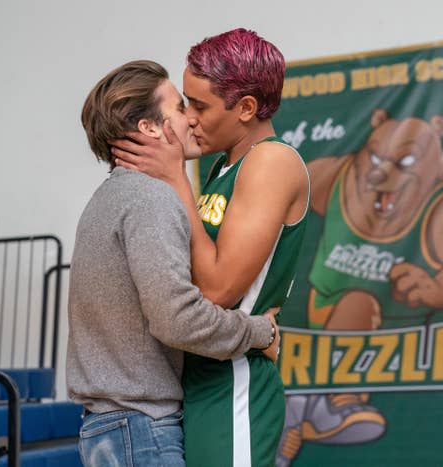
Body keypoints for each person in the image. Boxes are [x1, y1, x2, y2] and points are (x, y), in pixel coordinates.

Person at [111, 29, 310, 467]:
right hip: (198, 377)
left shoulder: (272, 161)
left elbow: (219, 290)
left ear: (245, 108)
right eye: (186, 102)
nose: (190, 118)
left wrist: (177, 179)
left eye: (199, 106)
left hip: (232, 382)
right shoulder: (224, 164)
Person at [66, 59, 280, 467]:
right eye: (181, 109)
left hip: (113, 426)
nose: (192, 120)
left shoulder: (108, 197)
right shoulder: (150, 199)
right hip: (141, 429)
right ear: (150, 128)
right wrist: (259, 332)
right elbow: (178, 319)